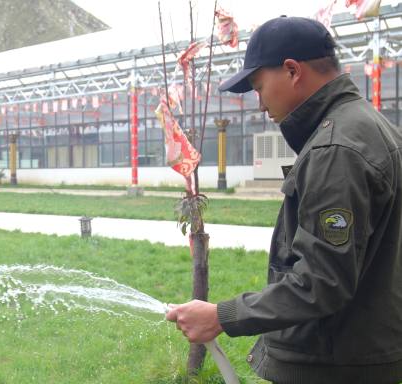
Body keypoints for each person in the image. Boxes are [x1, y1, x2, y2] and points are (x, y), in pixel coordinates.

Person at [165, 16, 402, 384]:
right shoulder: (373, 127)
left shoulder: (335, 149)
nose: (259, 104)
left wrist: (222, 316)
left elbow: (323, 281)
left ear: (292, 71)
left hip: (331, 365)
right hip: (363, 352)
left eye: (259, 87)